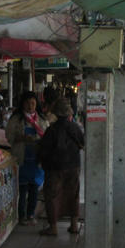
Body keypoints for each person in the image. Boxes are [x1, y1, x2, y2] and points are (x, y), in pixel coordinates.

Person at [37, 97, 85, 236]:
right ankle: (74, 225)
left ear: (56, 113)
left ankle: (53, 227)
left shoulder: (52, 129)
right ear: (69, 113)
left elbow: (44, 149)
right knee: (73, 194)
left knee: (52, 195)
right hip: (73, 166)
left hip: (55, 167)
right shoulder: (75, 127)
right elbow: (82, 143)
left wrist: (40, 159)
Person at [5, 90, 48, 225]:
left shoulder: (42, 120)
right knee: (22, 190)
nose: (30, 106)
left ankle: (30, 215)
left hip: (36, 159)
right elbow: (9, 136)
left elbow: (47, 136)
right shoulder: (16, 119)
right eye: (27, 103)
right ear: (22, 104)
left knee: (34, 189)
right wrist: (21, 138)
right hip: (21, 158)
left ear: (36, 104)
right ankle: (21, 216)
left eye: (33, 103)